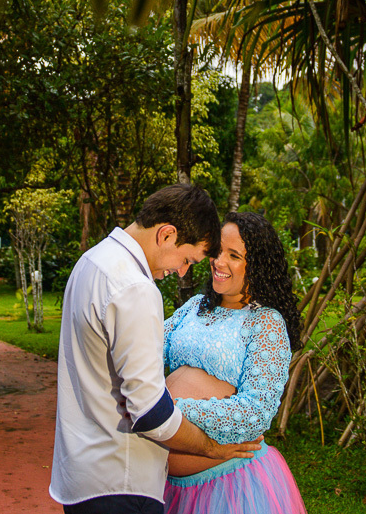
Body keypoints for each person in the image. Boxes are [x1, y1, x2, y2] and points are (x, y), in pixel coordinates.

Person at [50, 184, 263, 514]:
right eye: (187, 258)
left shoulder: (92, 262)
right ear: (166, 234)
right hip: (119, 482)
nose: (181, 271)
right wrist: (211, 448)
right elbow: (149, 413)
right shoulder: (135, 287)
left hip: (82, 474)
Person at [162, 211, 307, 514]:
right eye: (217, 251)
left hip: (231, 490)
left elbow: (257, 412)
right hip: (166, 486)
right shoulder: (194, 307)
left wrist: (170, 410)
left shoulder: (266, 323)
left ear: (257, 265)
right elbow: (145, 351)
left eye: (234, 255)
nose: (219, 261)